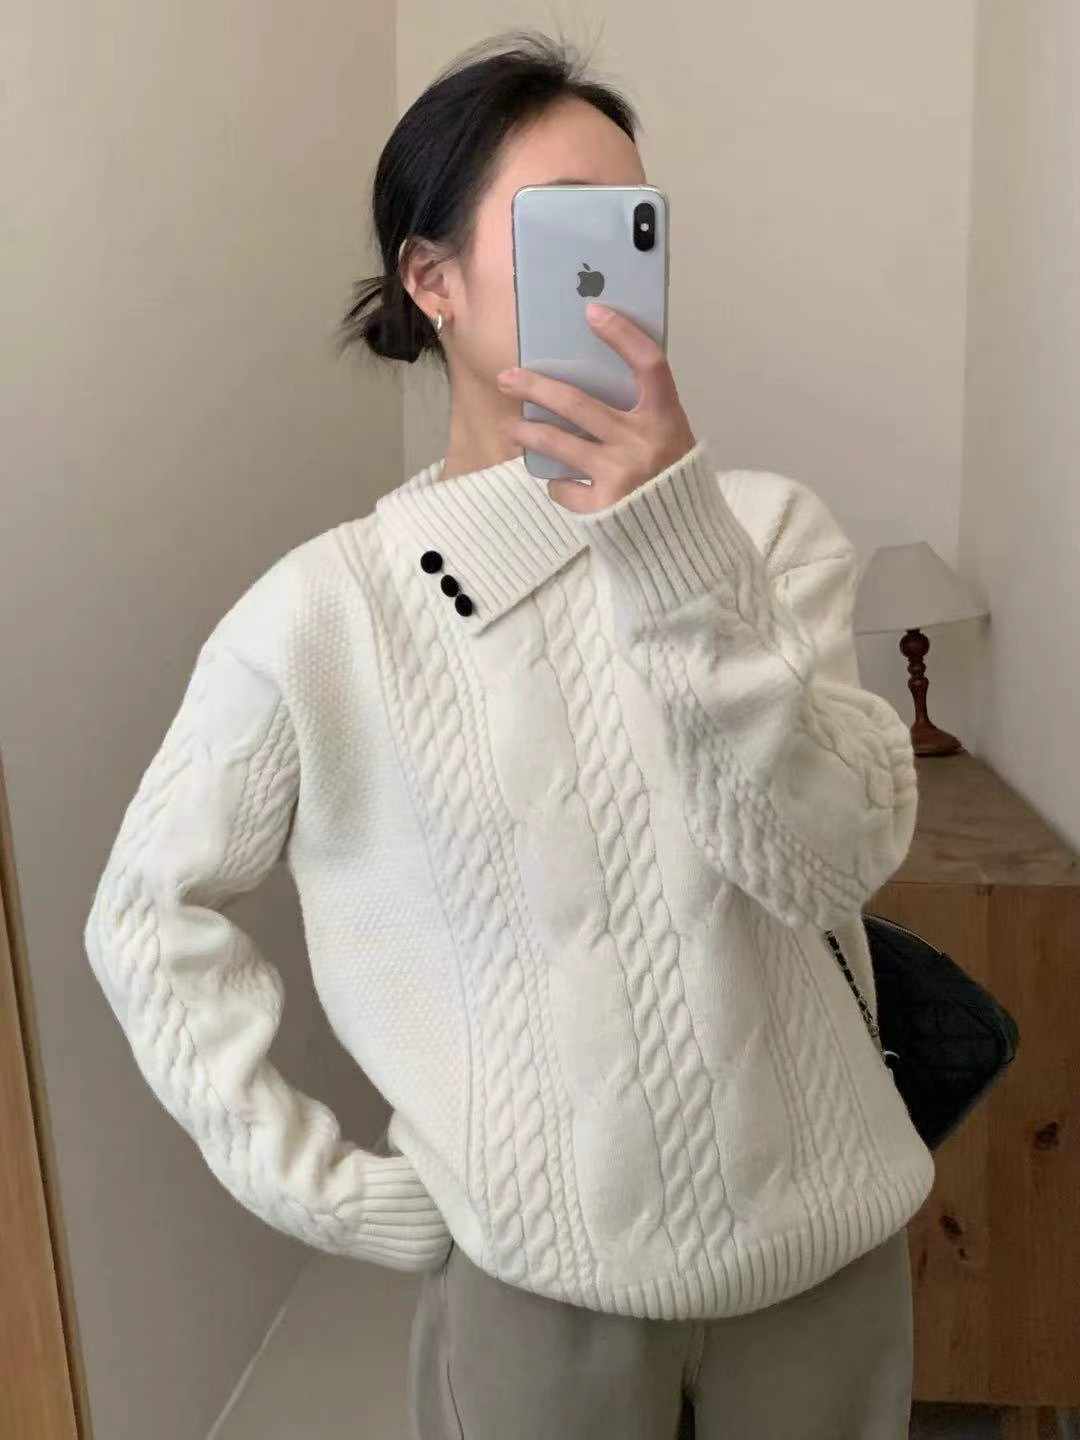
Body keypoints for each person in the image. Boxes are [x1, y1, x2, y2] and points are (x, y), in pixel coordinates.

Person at [84, 28, 933, 1440]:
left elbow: (825, 864)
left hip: (824, 1271)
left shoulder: (765, 534)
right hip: (536, 1297)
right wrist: (329, 1190)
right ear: (433, 281)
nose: (613, 268)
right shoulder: (324, 614)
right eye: (562, 230)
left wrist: (673, 544)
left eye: (637, 224)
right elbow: (143, 916)